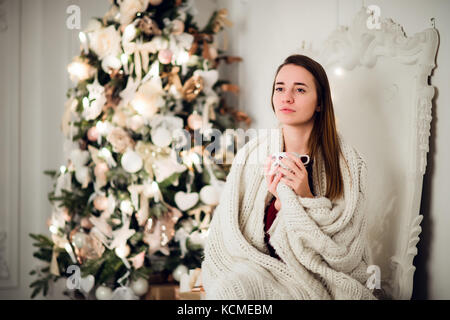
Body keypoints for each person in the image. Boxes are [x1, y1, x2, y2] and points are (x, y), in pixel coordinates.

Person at [201, 54, 378, 300]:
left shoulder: (350, 165)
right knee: (232, 290)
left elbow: (344, 253)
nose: (287, 97)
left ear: (320, 102)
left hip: (317, 279)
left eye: (300, 89)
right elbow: (230, 236)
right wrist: (275, 204)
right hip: (260, 272)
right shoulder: (251, 156)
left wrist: (302, 200)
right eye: (280, 88)